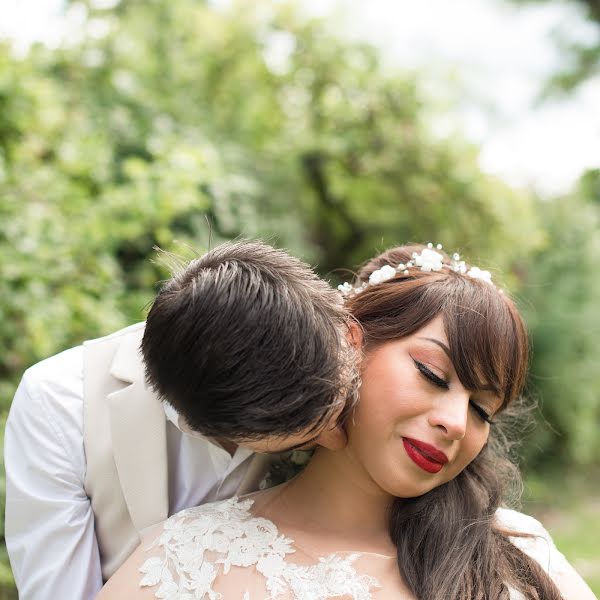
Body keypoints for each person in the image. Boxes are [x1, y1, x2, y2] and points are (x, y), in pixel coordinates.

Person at [99, 243, 597, 600]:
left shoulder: (520, 553)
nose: (456, 424)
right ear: (352, 344)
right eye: (432, 374)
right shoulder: (191, 555)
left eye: (482, 409)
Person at [4, 240, 358, 600]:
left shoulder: (344, 353)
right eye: (305, 440)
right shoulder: (57, 403)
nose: (338, 441)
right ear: (210, 429)